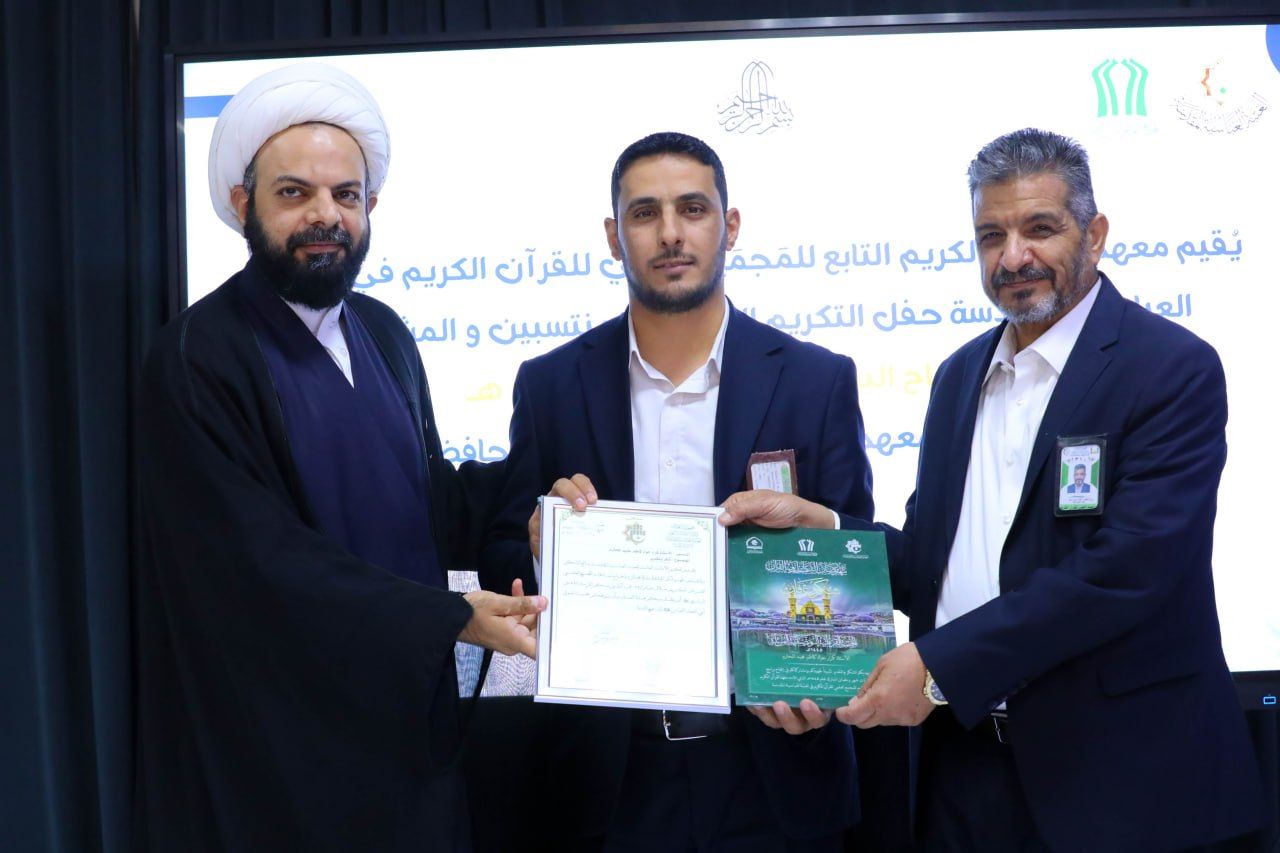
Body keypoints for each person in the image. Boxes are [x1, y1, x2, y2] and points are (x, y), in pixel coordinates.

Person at [719, 128, 1265, 851]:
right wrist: (826, 526)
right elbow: (933, 569)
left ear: (1095, 234)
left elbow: (1126, 571)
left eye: (1039, 228)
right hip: (965, 774)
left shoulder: (1170, 368)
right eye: (990, 235)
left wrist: (939, 667)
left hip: (1121, 783)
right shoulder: (958, 377)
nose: (1013, 257)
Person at [135, 64, 545, 852]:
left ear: (370, 207)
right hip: (285, 752)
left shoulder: (385, 333)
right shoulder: (198, 354)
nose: (325, 214)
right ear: (242, 203)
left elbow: (430, 505)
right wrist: (449, 616)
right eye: (295, 193)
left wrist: (533, 508)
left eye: (345, 195)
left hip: (412, 736)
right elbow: (259, 562)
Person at [479, 132, 875, 850]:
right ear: (613, 236)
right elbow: (503, 551)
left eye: (692, 209)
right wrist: (541, 548)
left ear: (730, 225)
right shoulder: (550, 384)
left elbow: (853, 555)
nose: (670, 233)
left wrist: (824, 680)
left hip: (773, 767)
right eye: (645, 213)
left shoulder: (817, 380)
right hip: (608, 780)